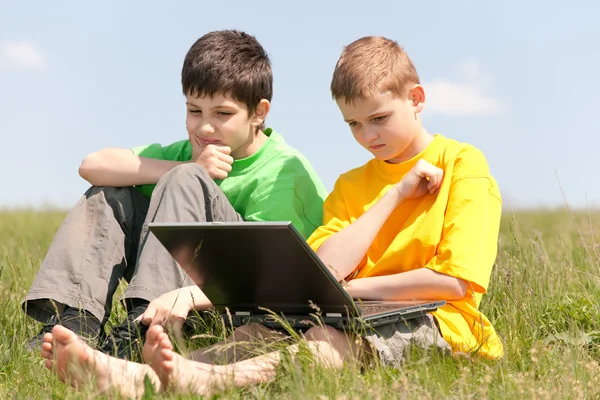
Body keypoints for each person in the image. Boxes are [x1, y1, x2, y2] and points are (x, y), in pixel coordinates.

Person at [40, 35, 503, 397]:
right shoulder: (351, 184)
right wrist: (394, 195)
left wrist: (349, 291)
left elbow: (454, 284)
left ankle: (192, 380)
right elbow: (329, 267)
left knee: (324, 338)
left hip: (439, 322)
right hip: (352, 307)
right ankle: (137, 372)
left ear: (417, 99)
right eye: (353, 124)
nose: (367, 136)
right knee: (257, 332)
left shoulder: (464, 164)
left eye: (378, 119)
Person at [25, 30, 328, 361]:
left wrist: (188, 172)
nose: (204, 128)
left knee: (184, 178)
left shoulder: (284, 172)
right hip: (184, 289)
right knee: (109, 194)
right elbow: (92, 166)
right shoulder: (190, 152)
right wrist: (186, 163)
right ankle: (72, 322)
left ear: (259, 112)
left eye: (222, 114)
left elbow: (272, 278)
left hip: (238, 308)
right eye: (194, 111)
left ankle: (142, 327)